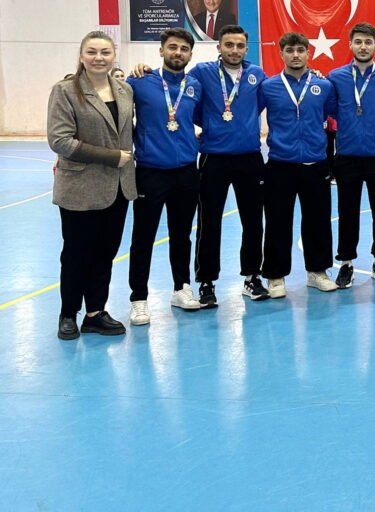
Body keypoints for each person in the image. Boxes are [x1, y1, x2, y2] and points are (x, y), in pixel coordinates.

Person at [47, 31, 136, 340]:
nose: (99, 57)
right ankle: (68, 313)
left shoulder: (124, 90)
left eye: (105, 52)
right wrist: (112, 157)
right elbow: (60, 140)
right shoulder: (65, 90)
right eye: (92, 52)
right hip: (80, 188)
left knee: (105, 252)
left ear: (114, 56)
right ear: (82, 55)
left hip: (118, 188)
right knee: (76, 253)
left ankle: (95, 313)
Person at [186, 25, 269, 305]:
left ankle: (252, 277)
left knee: (253, 221)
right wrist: (212, 126)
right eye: (229, 44)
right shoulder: (202, 72)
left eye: (240, 45)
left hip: (250, 157)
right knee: (209, 221)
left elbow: (259, 105)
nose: (234, 50)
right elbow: (187, 100)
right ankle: (206, 282)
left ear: (246, 48)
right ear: (219, 47)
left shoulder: (257, 74)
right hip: (214, 158)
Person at [126, 28, 203, 323]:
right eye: (172, 47)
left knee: (182, 235)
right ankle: (139, 298)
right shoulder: (139, 81)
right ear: (161, 51)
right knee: (143, 237)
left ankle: (181, 288)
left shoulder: (194, 85)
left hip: (186, 172)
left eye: (184, 48)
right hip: (151, 172)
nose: (178, 53)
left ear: (190, 54)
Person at [258, 33, 338, 299]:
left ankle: (317, 272)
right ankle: (275, 275)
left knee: (318, 220)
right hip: (280, 164)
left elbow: (333, 114)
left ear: (308, 53)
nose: (295, 55)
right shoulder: (268, 87)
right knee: (278, 221)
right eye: (290, 50)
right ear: (281, 53)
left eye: (301, 50)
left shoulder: (323, 86)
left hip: (315, 163)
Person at [327, 23, 375, 289]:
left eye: (368, 42)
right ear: (350, 45)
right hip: (347, 157)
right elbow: (332, 109)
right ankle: (346, 263)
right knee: (347, 212)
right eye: (358, 42)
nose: (363, 47)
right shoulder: (336, 77)